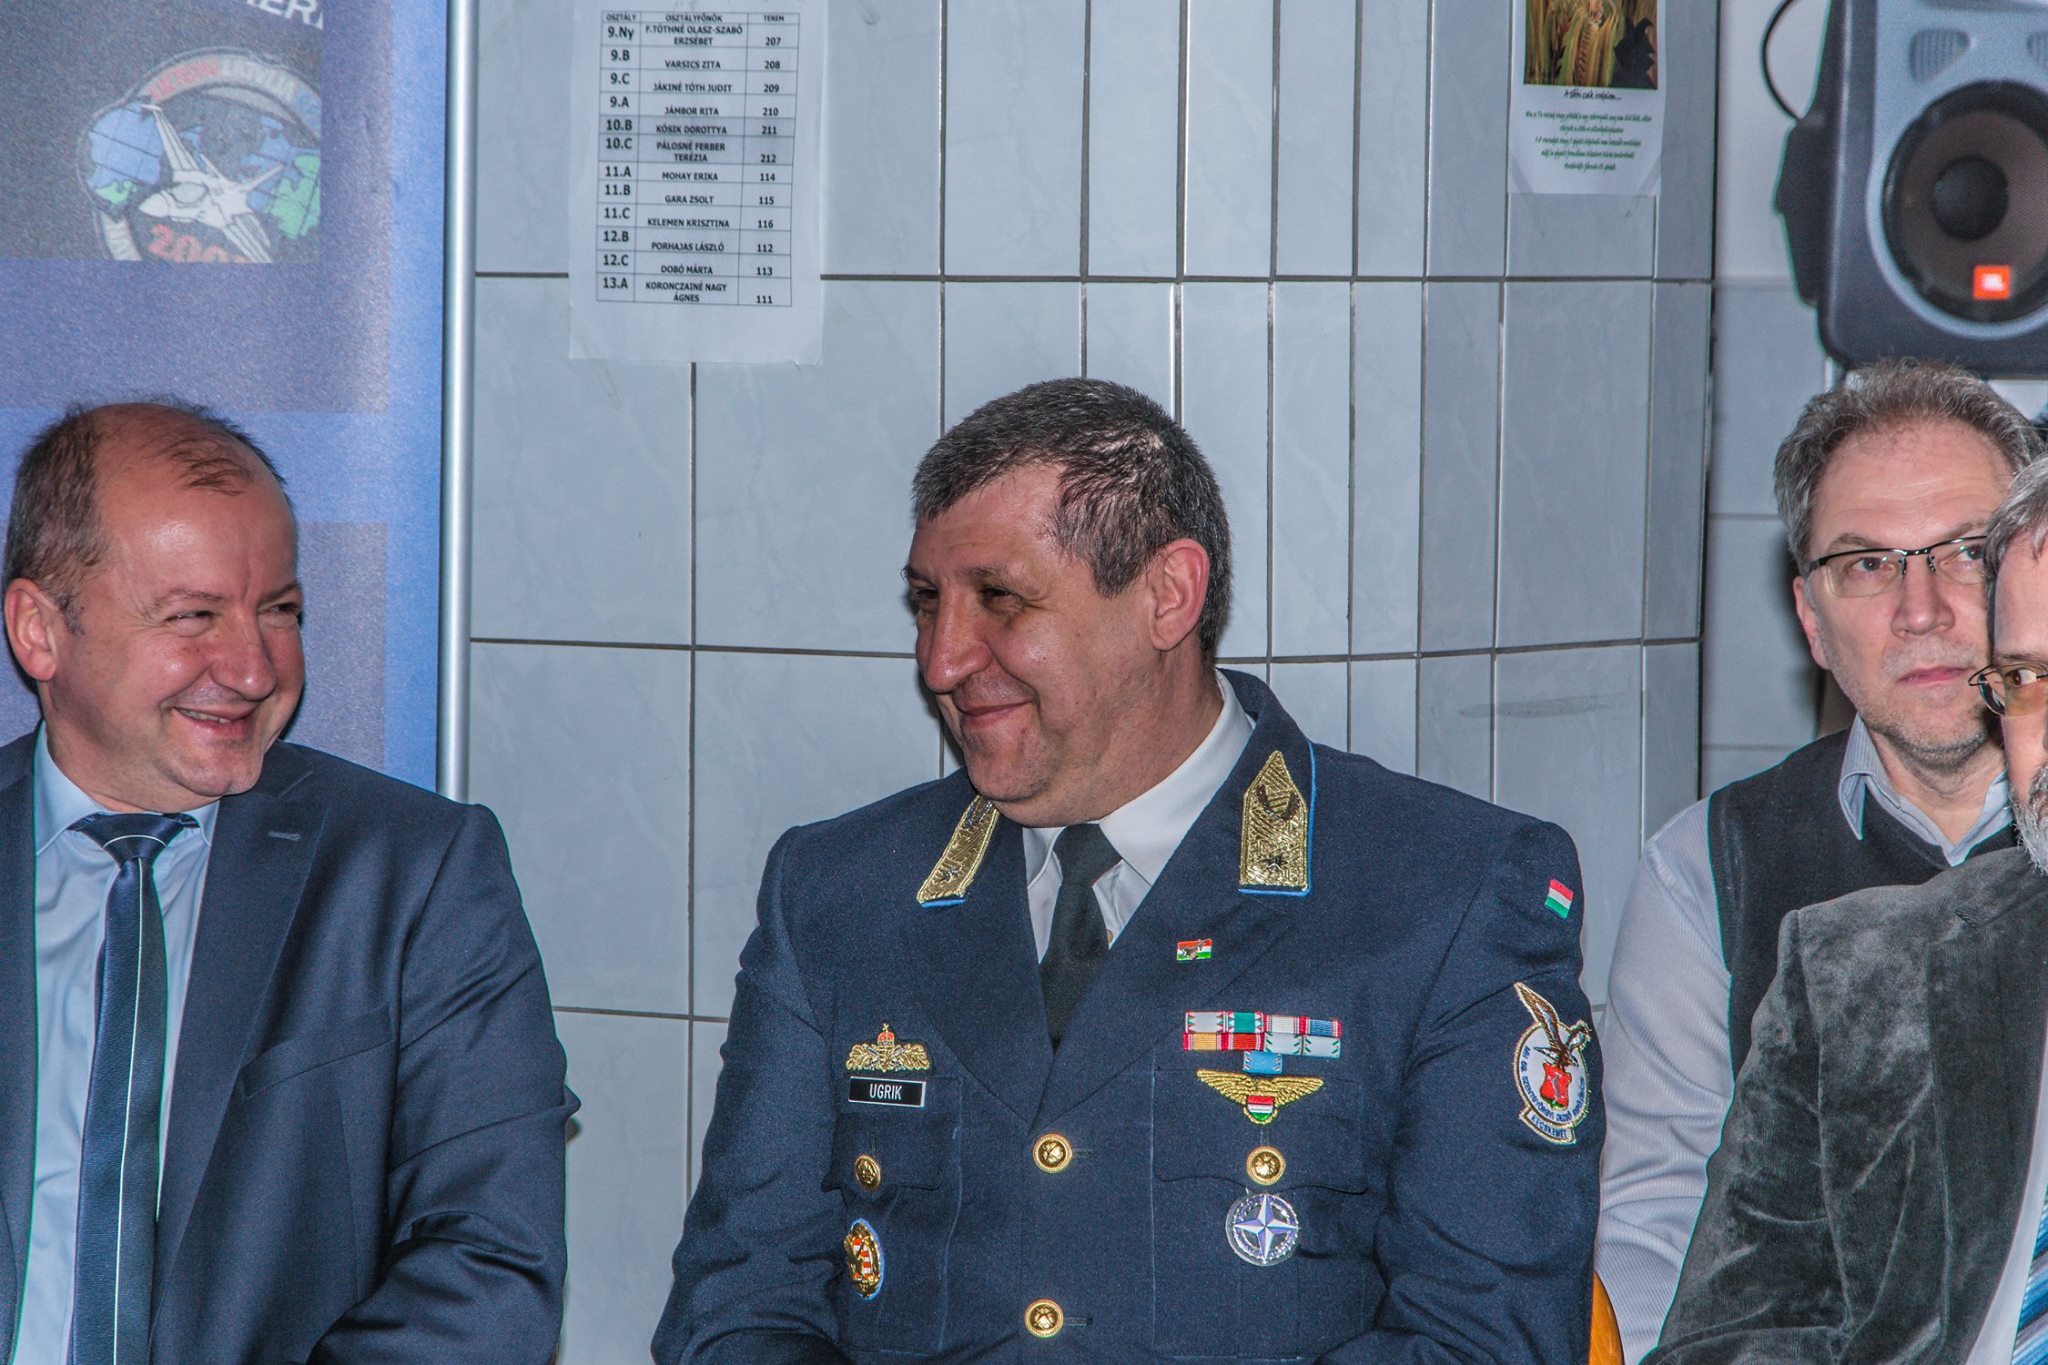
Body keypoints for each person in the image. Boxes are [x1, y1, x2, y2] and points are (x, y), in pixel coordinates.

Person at [653, 377, 1600, 1362]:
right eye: (928, 603)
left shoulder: (1441, 892)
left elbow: (1483, 1342)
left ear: (1166, 596)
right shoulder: (839, 892)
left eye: (1000, 600)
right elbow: (737, 1309)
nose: (940, 661)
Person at [0, 402, 573, 1362]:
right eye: (193, 616)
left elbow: (490, 1266)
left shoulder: (413, 877)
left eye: (280, 611)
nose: (254, 669)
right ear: (39, 631)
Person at [1595, 361, 2039, 1358]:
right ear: (1810, 620)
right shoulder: (1712, 870)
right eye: (1867, 564)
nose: (1921, 609)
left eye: (1965, 552)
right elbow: (1658, 1228)